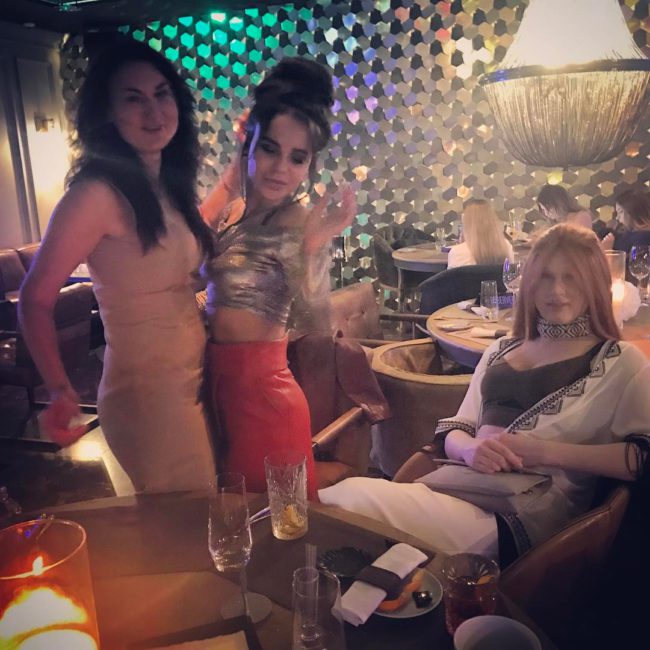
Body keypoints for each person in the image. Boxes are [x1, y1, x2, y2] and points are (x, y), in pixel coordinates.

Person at [320, 224, 650, 561]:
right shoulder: (501, 350)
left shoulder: (620, 361)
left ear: (594, 284)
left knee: (346, 498)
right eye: (545, 277)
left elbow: (641, 458)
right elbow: (455, 428)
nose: (557, 290)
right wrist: (470, 449)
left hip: (527, 520)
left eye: (572, 278)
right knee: (371, 555)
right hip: (460, 486)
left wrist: (544, 452)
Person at [18, 39, 217, 493]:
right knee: (188, 523)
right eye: (133, 98)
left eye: (162, 94)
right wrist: (59, 389)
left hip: (191, 378)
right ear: (107, 113)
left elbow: (176, 253)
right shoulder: (95, 193)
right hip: (148, 397)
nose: (154, 111)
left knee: (201, 517)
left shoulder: (166, 185)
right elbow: (34, 298)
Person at [200, 57, 355, 499]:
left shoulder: (298, 222)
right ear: (248, 141)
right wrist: (232, 174)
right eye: (269, 148)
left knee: (276, 528)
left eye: (297, 158)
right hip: (216, 392)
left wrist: (314, 248)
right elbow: (187, 254)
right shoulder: (231, 212)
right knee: (233, 521)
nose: (280, 168)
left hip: (266, 402)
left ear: (309, 164)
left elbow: (316, 324)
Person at [446, 199, 514, 269]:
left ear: (467, 224)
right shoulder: (506, 247)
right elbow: (510, 273)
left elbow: (451, 276)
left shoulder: (456, 252)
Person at [610, 188, 650, 255]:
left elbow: (632, 260)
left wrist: (608, 250)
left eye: (620, 212)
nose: (617, 217)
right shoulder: (628, 234)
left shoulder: (641, 239)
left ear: (632, 212)